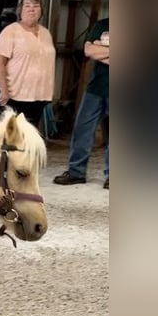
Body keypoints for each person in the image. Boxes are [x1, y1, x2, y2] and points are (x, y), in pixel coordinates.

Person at [53, 17, 110, 188]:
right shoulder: (102, 25)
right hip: (95, 88)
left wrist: (102, 49)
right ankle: (76, 172)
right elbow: (89, 51)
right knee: (82, 128)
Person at [0, 0, 57, 128]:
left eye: (36, 6)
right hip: (14, 95)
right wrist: (4, 89)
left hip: (38, 95)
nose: (32, 9)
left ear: (41, 11)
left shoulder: (46, 33)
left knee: (30, 137)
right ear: (20, 10)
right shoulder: (11, 31)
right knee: (11, 137)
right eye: (27, 6)